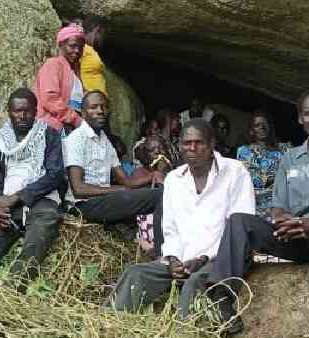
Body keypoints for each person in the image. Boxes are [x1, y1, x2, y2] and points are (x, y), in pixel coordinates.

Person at [208, 88, 309, 338]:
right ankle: (223, 304)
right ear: (299, 119)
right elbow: (277, 207)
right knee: (239, 220)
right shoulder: (290, 159)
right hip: (297, 237)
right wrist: (284, 221)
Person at [113, 119, 254, 318]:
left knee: (193, 285)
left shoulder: (235, 171)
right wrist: (173, 259)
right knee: (135, 274)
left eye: (199, 142)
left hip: (221, 259)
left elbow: (240, 227)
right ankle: (108, 328)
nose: (192, 148)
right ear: (179, 146)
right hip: (184, 260)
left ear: (212, 144)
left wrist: (203, 258)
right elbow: (170, 229)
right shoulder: (174, 180)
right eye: (186, 143)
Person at [0, 88, 62, 288]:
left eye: (27, 111)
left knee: (36, 240)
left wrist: (18, 197)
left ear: (36, 111)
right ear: (9, 111)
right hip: (7, 204)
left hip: (41, 201)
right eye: (17, 111)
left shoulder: (48, 135)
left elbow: (54, 175)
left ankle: (13, 289)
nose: (22, 116)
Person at [64, 91, 162, 227]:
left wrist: (152, 176)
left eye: (104, 107)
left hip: (105, 199)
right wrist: (117, 190)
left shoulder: (105, 141)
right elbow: (78, 189)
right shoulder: (76, 139)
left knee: (157, 192)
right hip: (84, 206)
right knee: (158, 197)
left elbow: (126, 181)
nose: (100, 111)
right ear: (83, 112)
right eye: (94, 107)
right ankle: (159, 246)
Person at [236, 110, 290, 216]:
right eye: (257, 125)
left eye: (265, 124)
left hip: (290, 202)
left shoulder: (286, 148)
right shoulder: (246, 151)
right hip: (263, 207)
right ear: (251, 131)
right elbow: (256, 181)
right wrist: (285, 177)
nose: (262, 127)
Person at [33, 25, 84, 133]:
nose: (77, 50)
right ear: (60, 45)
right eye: (72, 46)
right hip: (53, 127)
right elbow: (50, 98)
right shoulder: (53, 64)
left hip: (70, 125)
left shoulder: (74, 70)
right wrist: (76, 120)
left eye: (81, 47)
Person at [132, 135, 172, 256]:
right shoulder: (139, 173)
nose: (157, 152)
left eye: (161, 148)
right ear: (144, 155)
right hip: (149, 230)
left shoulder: (175, 174)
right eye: (152, 149)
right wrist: (158, 173)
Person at [79, 16, 107, 95]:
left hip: (96, 102)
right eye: (102, 34)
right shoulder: (79, 47)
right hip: (85, 101)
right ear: (96, 30)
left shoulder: (90, 50)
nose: (102, 39)